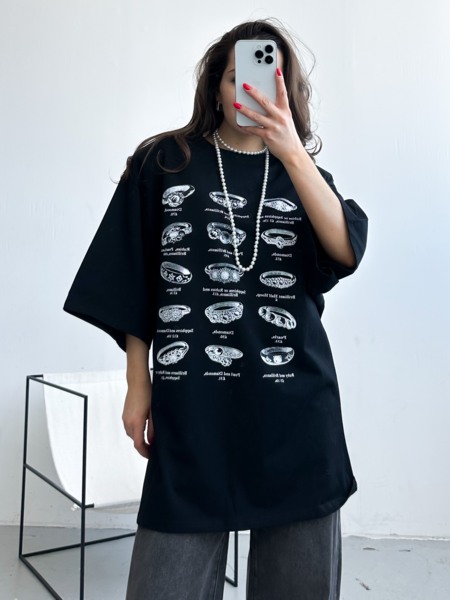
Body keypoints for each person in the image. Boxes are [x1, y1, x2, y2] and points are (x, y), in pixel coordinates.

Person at [64, 18, 368, 600]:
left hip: (295, 410)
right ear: (216, 87)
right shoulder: (165, 161)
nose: (249, 89)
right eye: (235, 77)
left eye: (267, 79)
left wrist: (291, 151)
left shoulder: (306, 176)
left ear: (288, 91)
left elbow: (344, 250)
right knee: (164, 584)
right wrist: (138, 383)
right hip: (192, 408)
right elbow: (131, 273)